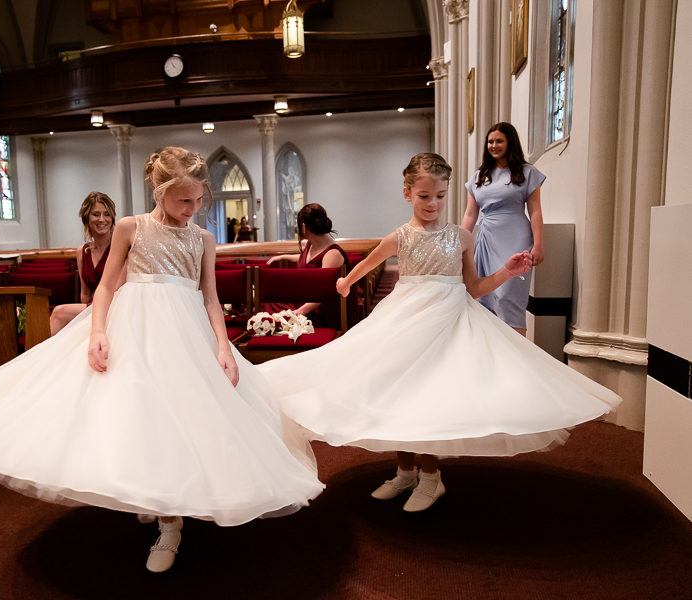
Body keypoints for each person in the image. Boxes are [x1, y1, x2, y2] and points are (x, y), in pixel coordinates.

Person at [0, 146, 323, 574]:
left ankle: (172, 521)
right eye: (185, 200)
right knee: (137, 414)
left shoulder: (203, 239)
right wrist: (97, 332)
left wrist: (224, 348)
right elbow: (107, 288)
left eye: (199, 199)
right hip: (133, 328)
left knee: (182, 419)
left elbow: (209, 298)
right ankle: (157, 501)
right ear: (159, 190)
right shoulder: (131, 228)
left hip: (185, 334)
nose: (194, 208)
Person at [258, 153, 621, 513]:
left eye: (441, 196)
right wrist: (344, 283)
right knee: (395, 392)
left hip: (448, 321)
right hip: (404, 320)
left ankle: (431, 476)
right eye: (424, 196)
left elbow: (473, 287)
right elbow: (362, 267)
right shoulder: (399, 237)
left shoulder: (461, 237)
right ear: (407, 194)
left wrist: (508, 272)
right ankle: (405, 471)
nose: (433, 204)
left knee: (430, 395)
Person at [461, 122, 545, 335]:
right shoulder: (479, 176)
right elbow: (471, 214)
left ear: (510, 143)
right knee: (484, 294)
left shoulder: (527, 172)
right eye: (490, 141)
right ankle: (487, 350)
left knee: (508, 295)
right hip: (487, 237)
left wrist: (538, 244)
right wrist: (459, 243)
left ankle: (517, 350)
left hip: (516, 236)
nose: (494, 145)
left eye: (499, 141)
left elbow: (535, 211)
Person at [264, 203, 350, 328]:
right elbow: (308, 261)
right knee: (271, 299)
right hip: (305, 299)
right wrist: (283, 256)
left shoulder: (333, 254)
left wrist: (301, 311)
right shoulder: (312, 243)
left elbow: (324, 292)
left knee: (276, 307)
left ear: (303, 227)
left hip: (320, 310)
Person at [49, 192, 116, 335]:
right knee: (63, 317)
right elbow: (85, 294)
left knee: (59, 313)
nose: (102, 219)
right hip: (92, 306)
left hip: (116, 305)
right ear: (87, 218)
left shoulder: (119, 247)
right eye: (96, 214)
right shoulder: (82, 252)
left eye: (107, 214)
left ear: (112, 218)